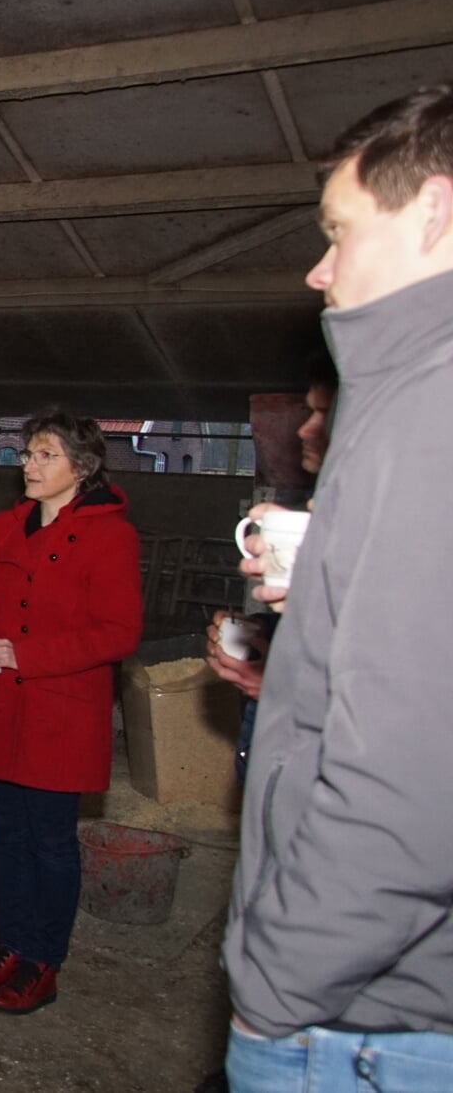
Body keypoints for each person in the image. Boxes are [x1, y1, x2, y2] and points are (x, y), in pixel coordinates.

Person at [222, 83, 453, 1091]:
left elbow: (410, 780)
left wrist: (274, 980)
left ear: (438, 211)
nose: (319, 270)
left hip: (365, 1018)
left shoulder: (430, 412)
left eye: (339, 231)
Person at [0, 412, 142, 1015]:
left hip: (59, 715)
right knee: (6, 835)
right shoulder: (6, 527)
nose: (28, 464)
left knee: (50, 841)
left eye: (44, 455)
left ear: (81, 469)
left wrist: (22, 652)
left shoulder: (111, 536)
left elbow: (119, 632)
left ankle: (42, 962)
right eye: (27, 453)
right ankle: (10, 946)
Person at [202, 352, 336, 780]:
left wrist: (282, 690)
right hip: (279, 763)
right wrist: (263, 633)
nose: (305, 429)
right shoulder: (335, 515)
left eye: (324, 414)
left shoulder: (400, 534)